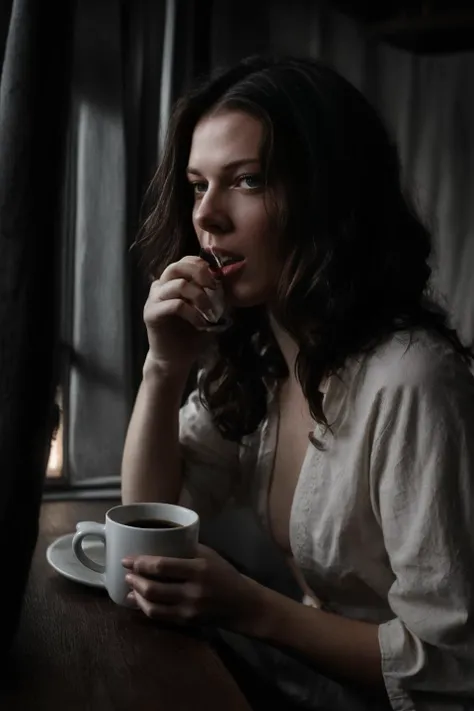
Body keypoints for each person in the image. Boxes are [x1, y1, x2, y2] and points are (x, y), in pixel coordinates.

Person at [120, 54, 474, 711]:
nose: (209, 217)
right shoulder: (264, 359)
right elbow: (147, 530)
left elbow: (453, 666)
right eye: (198, 185)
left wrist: (252, 606)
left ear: (325, 194)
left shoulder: (410, 381)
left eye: (247, 181)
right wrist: (163, 367)